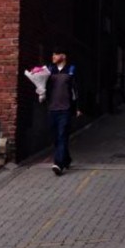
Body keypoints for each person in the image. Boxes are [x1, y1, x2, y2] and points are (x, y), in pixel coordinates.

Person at [45, 47, 78, 175]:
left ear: (63, 56)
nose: (53, 56)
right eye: (52, 54)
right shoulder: (49, 70)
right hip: (52, 108)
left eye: (56, 54)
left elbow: (75, 90)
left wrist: (77, 108)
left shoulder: (71, 70)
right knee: (55, 138)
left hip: (65, 108)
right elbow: (42, 85)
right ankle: (67, 159)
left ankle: (58, 164)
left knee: (62, 135)